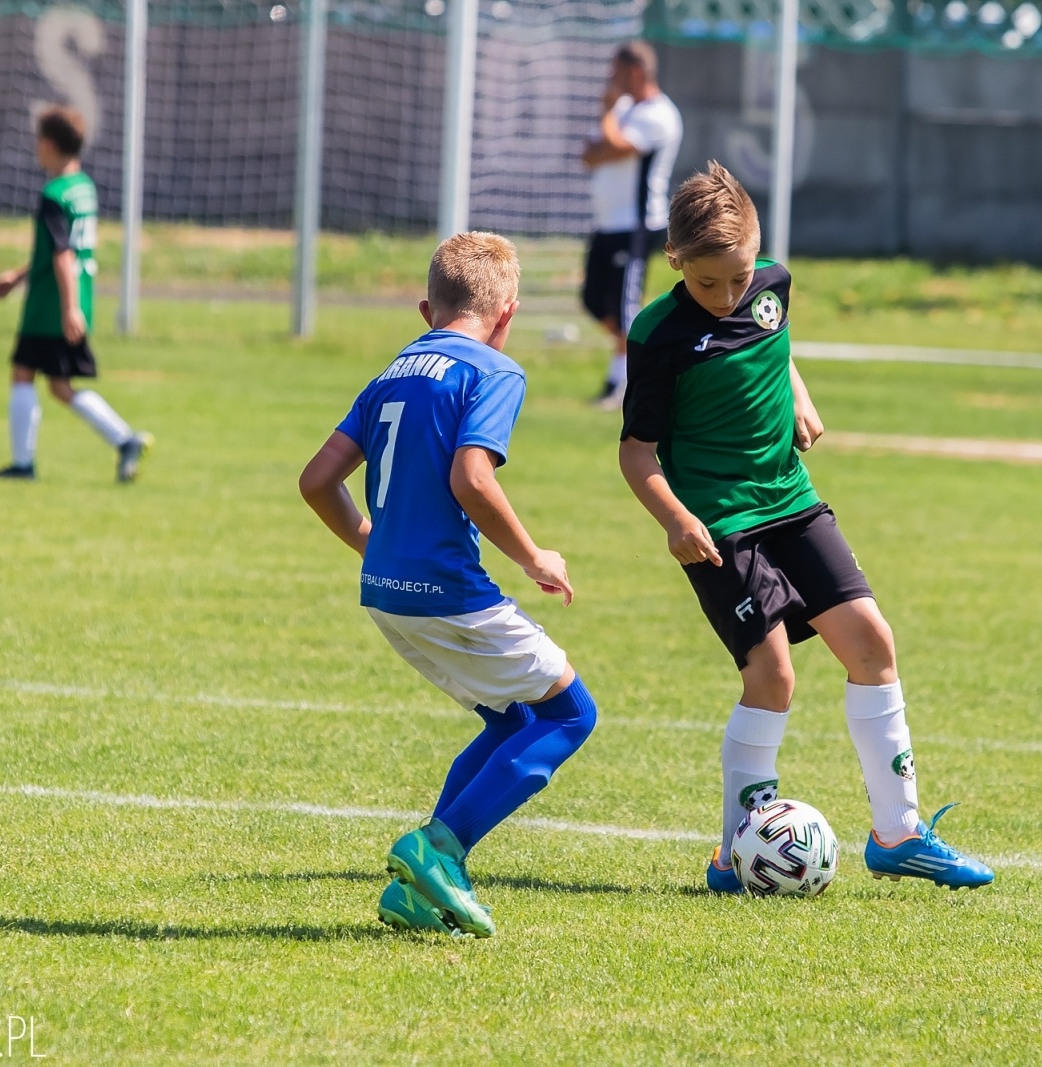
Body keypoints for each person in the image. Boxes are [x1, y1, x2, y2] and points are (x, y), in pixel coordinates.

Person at [617, 162, 994, 893]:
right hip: (719, 520)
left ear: (758, 251)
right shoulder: (657, 333)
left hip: (791, 498)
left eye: (738, 277)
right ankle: (734, 853)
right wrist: (675, 519)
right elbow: (636, 451)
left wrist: (797, 393)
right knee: (774, 672)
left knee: (872, 642)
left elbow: (773, 343)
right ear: (675, 262)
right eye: (707, 284)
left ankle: (899, 834)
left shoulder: (773, 285)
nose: (728, 297)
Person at [299, 232, 598, 938]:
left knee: (513, 719)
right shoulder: (494, 370)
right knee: (570, 714)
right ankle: (440, 849)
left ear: (427, 308)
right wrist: (533, 556)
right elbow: (472, 477)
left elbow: (316, 481)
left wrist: (370, 542)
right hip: (446, 587)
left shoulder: (393, 370)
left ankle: (417, 890)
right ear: (508, 313)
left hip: (385, 590)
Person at [0, 106, 152, 483]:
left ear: (47, 144)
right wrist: (18, 277)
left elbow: (63, 255)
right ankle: (124, 440)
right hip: (72, 298)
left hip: (51, 307)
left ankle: (24, 464)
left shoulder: (54, 194)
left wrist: (68, 308)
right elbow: (60, 252)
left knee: (25, 375)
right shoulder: (83, 188)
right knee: (58, 385)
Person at [580, 41, 682, 410]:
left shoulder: (660, 115)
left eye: (616, 71)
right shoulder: (623, 109)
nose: (610, 79)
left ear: (635, 72)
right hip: (607, 222)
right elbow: (591, 154)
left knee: (625, 307)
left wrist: (607, 116)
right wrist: (608, 132)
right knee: (593, 300)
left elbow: (616, 145)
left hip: (636, 224)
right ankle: (638, 359)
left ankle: (622, 382)